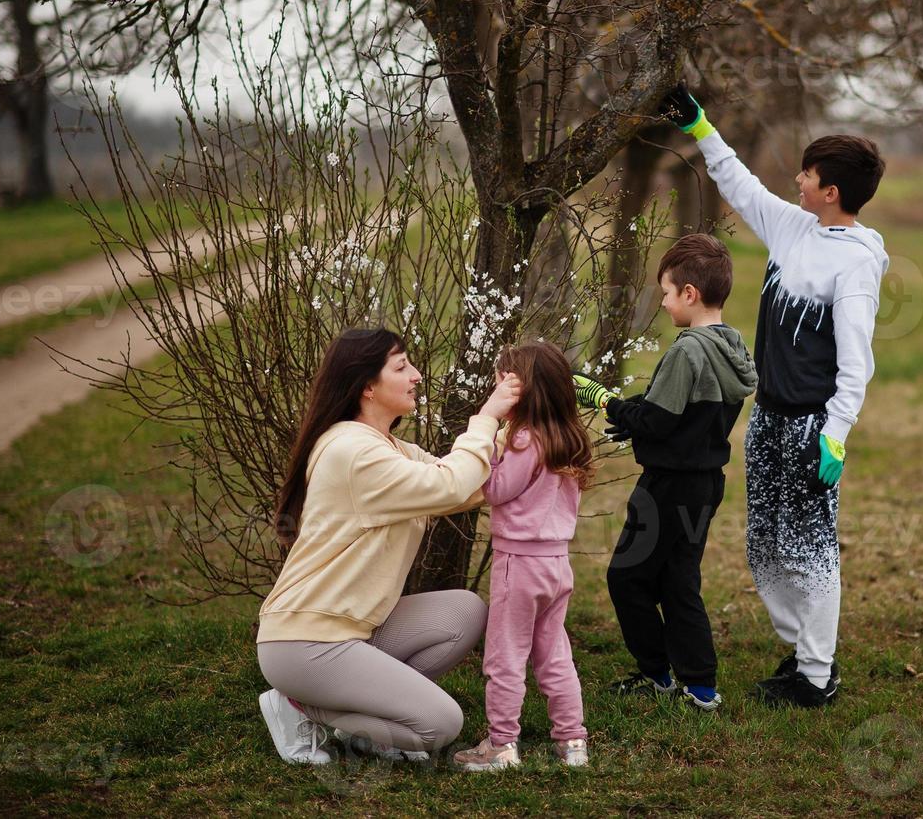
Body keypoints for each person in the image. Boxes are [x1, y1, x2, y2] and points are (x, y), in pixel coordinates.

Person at [658, 83, 889, 708]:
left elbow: (856, 361)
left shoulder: (856, 264)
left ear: (831, 191)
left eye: (808, 175)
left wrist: (835, 434)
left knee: (810, 548)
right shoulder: (794, 229)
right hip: (768, 419)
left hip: (812, 427)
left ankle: (816, 677)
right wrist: (702, 129)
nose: (797, 180)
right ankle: (804, 650)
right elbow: (742, 187)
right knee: (766, 544)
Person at [255, 327, 522, 764]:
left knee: (465, 611)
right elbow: (452, 484)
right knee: (441, 724)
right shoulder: (354, 453)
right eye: (402, 367)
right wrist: (487, 417)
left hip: (353, 628)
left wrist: (525, 433)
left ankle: (376, 722)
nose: (416, 375)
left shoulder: (385, 447)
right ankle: (300, 707)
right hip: (306, 642)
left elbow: (464, 483)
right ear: (367, 386)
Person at [574, 233, 758, 711]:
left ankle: (656, 674)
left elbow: (656, 420)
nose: (665, 302)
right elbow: (678, 417)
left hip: (665, 486)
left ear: (690, 294)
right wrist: (636, 423)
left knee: (626, 579)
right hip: (704, 484)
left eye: (667, 293)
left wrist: (602, 399)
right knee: (679, 580)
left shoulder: (686, 351)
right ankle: (700, 688)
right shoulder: (730, 346)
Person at [453, 341, 596, 772]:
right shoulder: (567, 437)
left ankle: (502, 745)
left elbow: (496, 490)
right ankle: (572, 743)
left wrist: (491, 450)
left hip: (519, 565)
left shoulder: (522, 439)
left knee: (505, 657)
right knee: (555, 654)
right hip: (556, 565)